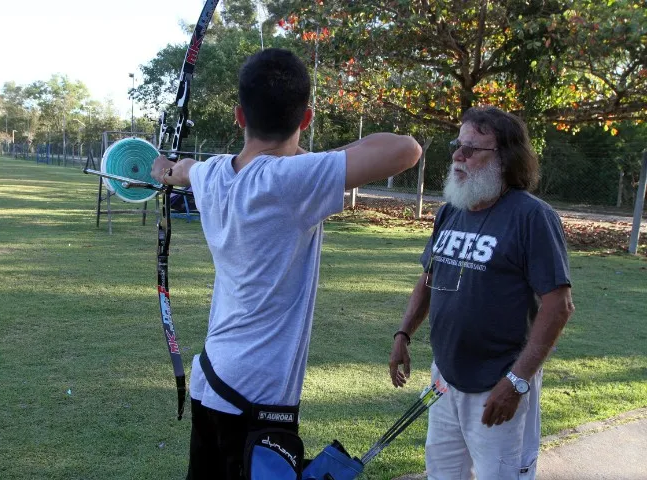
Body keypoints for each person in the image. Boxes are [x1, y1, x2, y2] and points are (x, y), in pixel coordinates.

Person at [151, 48, 422, 480]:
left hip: (214, 379)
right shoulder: (292, 180)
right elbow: (405, 149)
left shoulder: (214, 173)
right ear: (307, 118)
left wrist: (164, 168)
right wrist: (316, 160)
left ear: (240, 116)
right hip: (257, 395)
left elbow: (181, 169)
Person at [388, 106, 575, 480]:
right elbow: (429, 278)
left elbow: (559, 306)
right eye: (458, 145)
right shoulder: (450, 212)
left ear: (505, 158)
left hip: (500, 383)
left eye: (473, 149)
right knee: (441, 475)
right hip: (445, 377)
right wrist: (403, 333)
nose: (459, 155)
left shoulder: (532, 217)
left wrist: (517, 381)